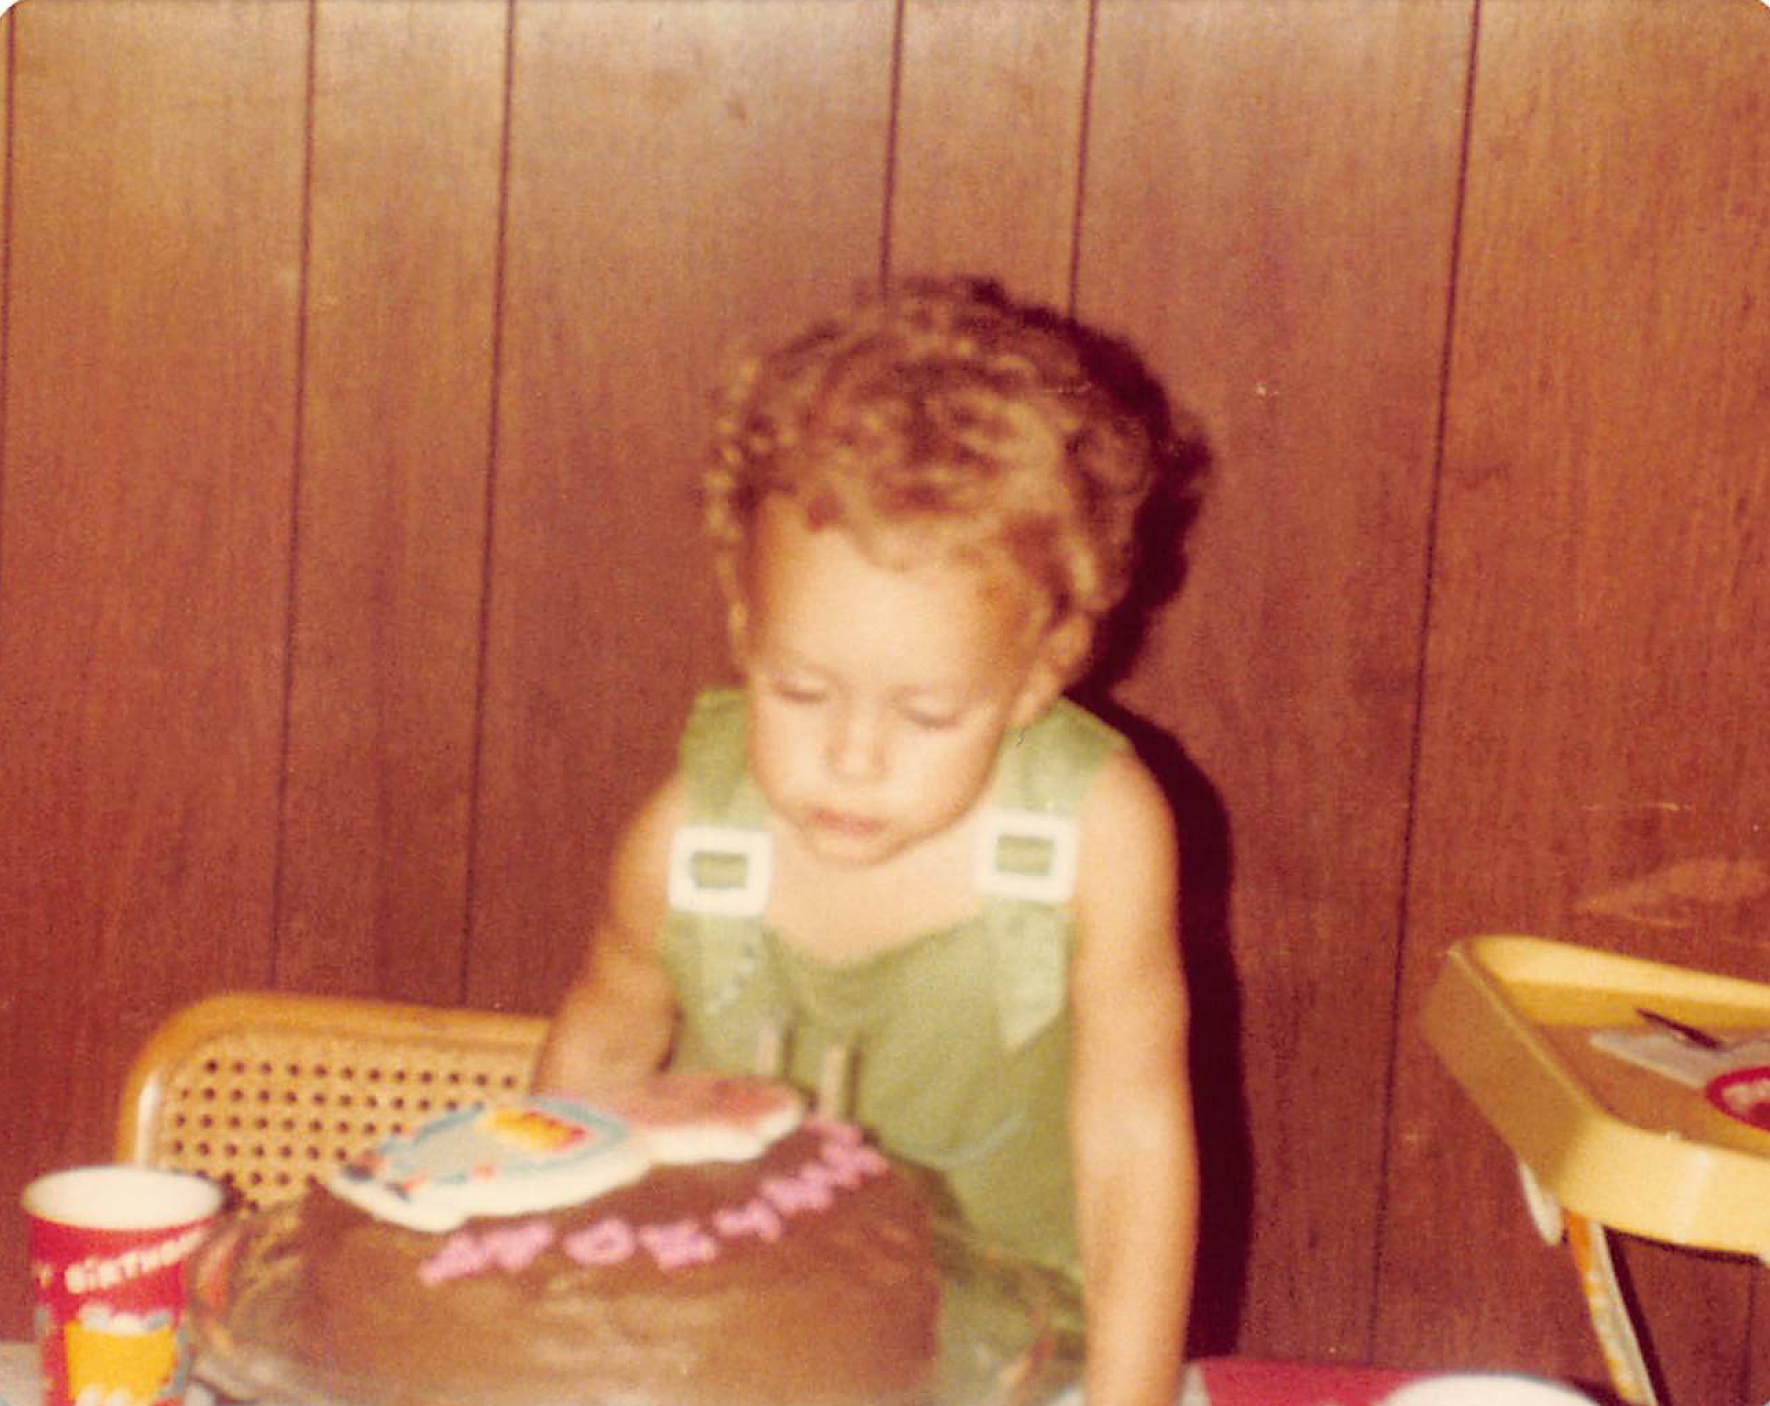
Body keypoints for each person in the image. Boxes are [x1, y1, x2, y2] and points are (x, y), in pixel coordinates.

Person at [535, 277, 1199, 1406]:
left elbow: (1133, 1143)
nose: (853, 755)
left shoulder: (1097, 835)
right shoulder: (690, 845)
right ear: (745, 626)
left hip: (1032, 1368)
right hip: (729, 1352)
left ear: (1041, 668)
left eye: (927, 714)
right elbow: (588, 1077)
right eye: (799, 690)